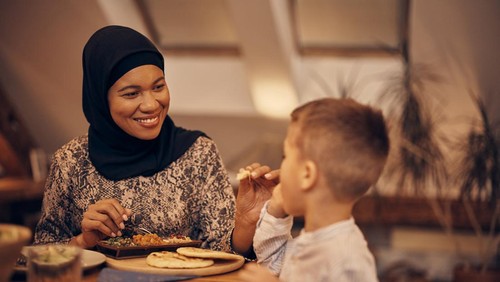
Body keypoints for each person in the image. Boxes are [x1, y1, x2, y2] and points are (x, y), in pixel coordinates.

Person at [33, 25, 276, 256]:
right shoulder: (71, 161)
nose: (151, 105)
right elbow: (41, 254)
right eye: (131, 94)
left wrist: (244, 224)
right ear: (100, 99)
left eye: (158, 87)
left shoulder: (198, 153)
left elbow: (224, 252)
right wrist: (84, 241)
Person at [238, 98, 390, 281]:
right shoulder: (310, 241)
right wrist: (275, 213)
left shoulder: (347, 260)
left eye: (285, 156)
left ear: (307, 175)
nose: (280, 166)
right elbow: (272, 266)